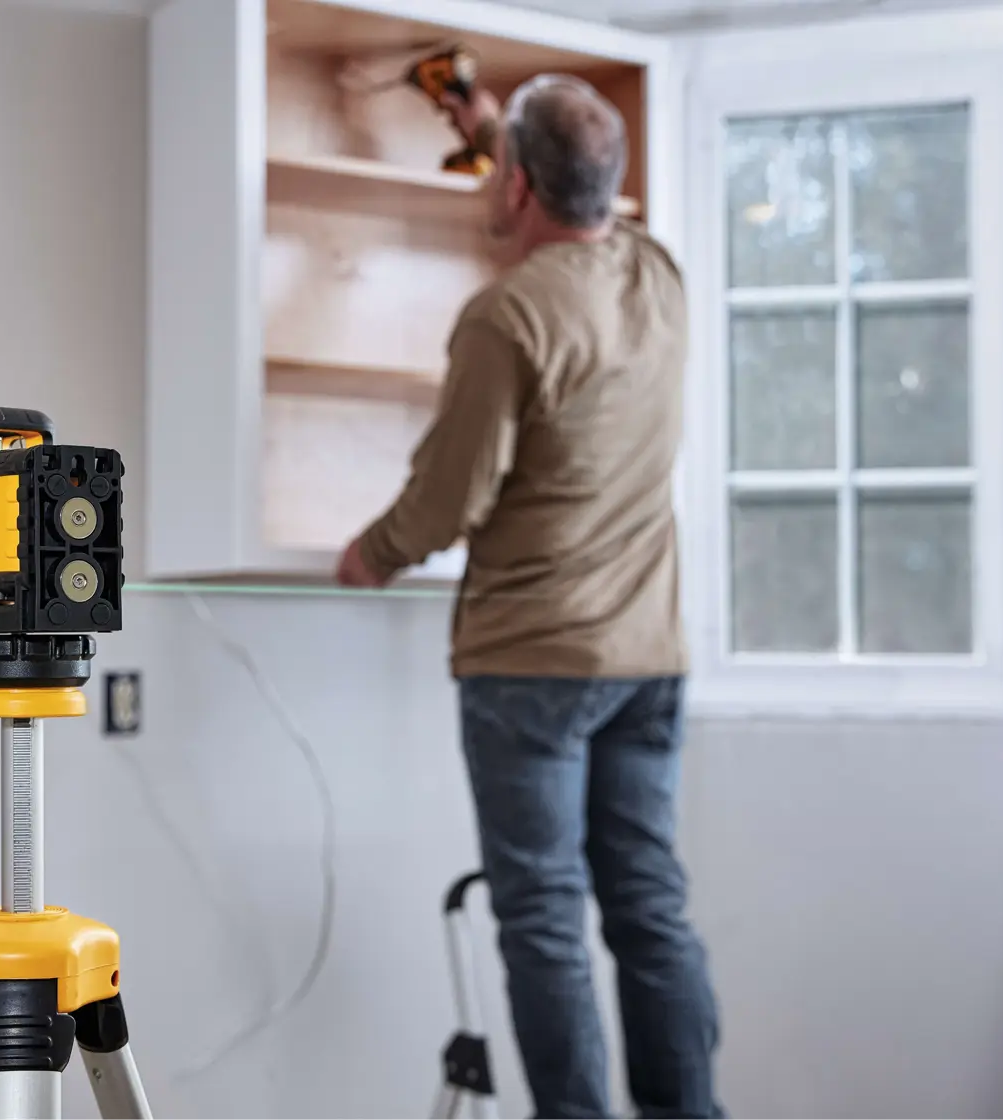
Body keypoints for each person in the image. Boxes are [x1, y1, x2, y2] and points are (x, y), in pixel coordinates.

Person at [335, 75, 726, 1120]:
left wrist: (372, 554)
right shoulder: (660, 276)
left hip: (533, 666)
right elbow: (580, 212)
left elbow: (450, 498)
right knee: (648, 906)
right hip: (648, 659)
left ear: (516, 183)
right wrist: (496, 132)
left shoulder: (505, 317)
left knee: (545, 917)